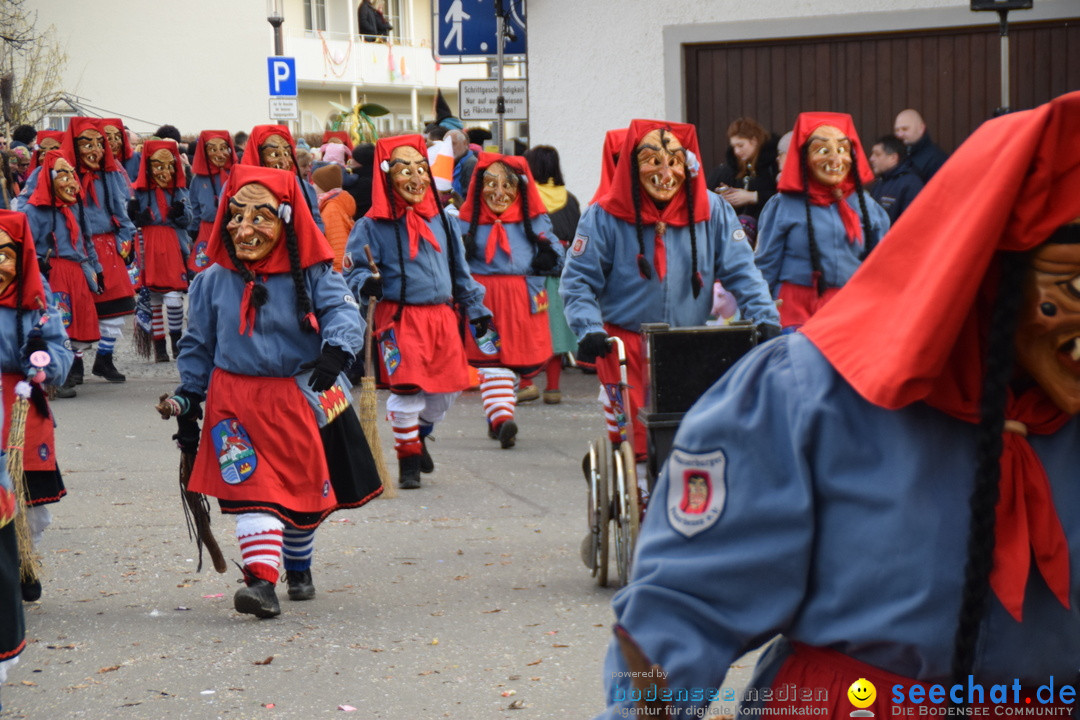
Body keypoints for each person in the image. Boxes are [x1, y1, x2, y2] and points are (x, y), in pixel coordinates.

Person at [595, 89, 1080, 720]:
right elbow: (686, 610)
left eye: (838, 150)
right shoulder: (801, 395)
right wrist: (770, 329)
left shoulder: (857, 209)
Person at [168, 164, 381, 619]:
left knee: (300, 495)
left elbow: (344, 315)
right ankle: (261, 583)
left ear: (286, 219)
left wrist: (335, 354)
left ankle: (298, 566)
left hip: (301, 396)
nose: (244, 229)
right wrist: (189, 392)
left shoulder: (316, 273)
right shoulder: (210, 281)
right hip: (235, 404)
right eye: (236, 215)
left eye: (259, 217)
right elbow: (197, 344)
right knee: (254, 490)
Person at [561, 119, 779, 462]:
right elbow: (578, 281)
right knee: (640, 442)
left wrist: (764, 317)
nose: (665, 172)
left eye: (674, 161)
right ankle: (639, 488)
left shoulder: (713, 209)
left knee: (693, 436)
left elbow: (742, 271)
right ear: (633, 165)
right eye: (653, 160)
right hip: (626, 343)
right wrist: (588, 327)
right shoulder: (603, 215)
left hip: (689, 342)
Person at [343, 134, 490, 490]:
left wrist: (477, 308)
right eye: (403, 169)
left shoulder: (444, 220)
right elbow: (351, 271)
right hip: (398, 319)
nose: (414, 177)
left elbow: (460, 271)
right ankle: (407, 460)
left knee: (445, 391)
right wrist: (366, 282)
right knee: (407, 390)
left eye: (420, 168)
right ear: (386, 176)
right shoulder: (370, 225)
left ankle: (419, 434)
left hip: (441, 317)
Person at [458, 152, 563, 447]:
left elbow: (555, 253)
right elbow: (451, 260)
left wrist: (550, 257)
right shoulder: (466, 223)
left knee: (513, 360)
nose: (500, 192)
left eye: (508, 184)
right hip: (483, 300)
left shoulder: (535, 220)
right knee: (492, 360)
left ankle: (496, 413)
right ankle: (503, 417)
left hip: (523, 299)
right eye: (492, 184)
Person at [754, 111, 890, 331]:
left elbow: (882, 263)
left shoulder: (865, 205)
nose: (835, 159)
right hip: (794, 314)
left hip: (848, 312)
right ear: (804, 156)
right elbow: (765, 265)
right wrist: (760, 314)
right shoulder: (783, 205)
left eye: (843, 149)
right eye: (823, 150)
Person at [0, 210, 74, 602]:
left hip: (22, 406)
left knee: (30, 507)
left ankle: (24, 558)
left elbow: (61, 350)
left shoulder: (37, 292)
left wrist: (45, 362)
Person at [63, 118, 136, 383]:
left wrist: (125, 239)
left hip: (106, 246)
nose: (94, 149)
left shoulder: (111, 174)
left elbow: (121, 209)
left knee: (112, 311)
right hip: (76, 249)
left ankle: (104, 359)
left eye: (98, 143)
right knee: (78, 310)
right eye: (86, 143)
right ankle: (75, 363)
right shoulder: (63, 174)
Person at [517, 145, 580, 405]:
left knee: (529, 329)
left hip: (531, 274)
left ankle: (527, 383)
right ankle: (553, 388)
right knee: (556, 330)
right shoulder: (571, 199)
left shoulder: (525, 197)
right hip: (561, 273)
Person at [127, 139, 192, 362]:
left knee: (174, 297)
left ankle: (176, 342)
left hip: (173, 245)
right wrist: (135, 216)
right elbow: (130, 220)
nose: (164, 172)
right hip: (149, 246)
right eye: (158, 166)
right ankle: (159, 347)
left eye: (168, 166)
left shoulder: (181, 190)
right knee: (154, 297)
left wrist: (181, 214)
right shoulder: (140, 191)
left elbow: (190, 219)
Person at [239, 124, 325, 232]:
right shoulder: (240, 189)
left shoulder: (306, 188)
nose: (284, 162)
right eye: (274, 154)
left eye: (287, 153)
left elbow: (316, 222)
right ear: (258, 155)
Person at [705, 117, 780, 221]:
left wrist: (753, 196)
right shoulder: (730, 168)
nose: (736, 151)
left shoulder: (774, 164)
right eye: (734, 146)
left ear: (754, 141)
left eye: (740, 145)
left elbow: (784, 198)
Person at [187, 130, 238, 275]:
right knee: (204, 272)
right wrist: (194, 231)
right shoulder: (198, 179)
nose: (219, 154)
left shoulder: (236, 174)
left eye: (223, 148)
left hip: (232, 230)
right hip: (207, 230)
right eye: (213, 149)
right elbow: (194, 207)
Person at [868, 134, 924, 224]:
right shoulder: (879, 183)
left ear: (893, 158)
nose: (871, 159)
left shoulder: (911, 184)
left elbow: (912, 222)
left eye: (877, 154)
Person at [311, 163, 355, 272]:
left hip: (336, 275)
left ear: (324, 185)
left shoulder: (332, 209)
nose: (312, 186)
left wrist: (337, 278)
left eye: (315, 183)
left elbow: (338, 246)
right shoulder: (334, 203)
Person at [894, 107, 949, 183]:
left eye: (905, 129)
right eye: (897, 130)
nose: (899, 134)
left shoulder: (936, 159)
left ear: (921, 128)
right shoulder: (897, 156)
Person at [344, 143, 375, 220]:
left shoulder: (364, 182)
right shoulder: (373, 174)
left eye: (354, 158)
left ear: (361, 162)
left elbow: (347, 199)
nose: (351, 161)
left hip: (360, 220)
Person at [447, 129, 477, 200]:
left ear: (465, 144)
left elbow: (470, 198)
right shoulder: (452, 163)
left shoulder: (471, 163)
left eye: (453, 144)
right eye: (446, 144)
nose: (449, 147)